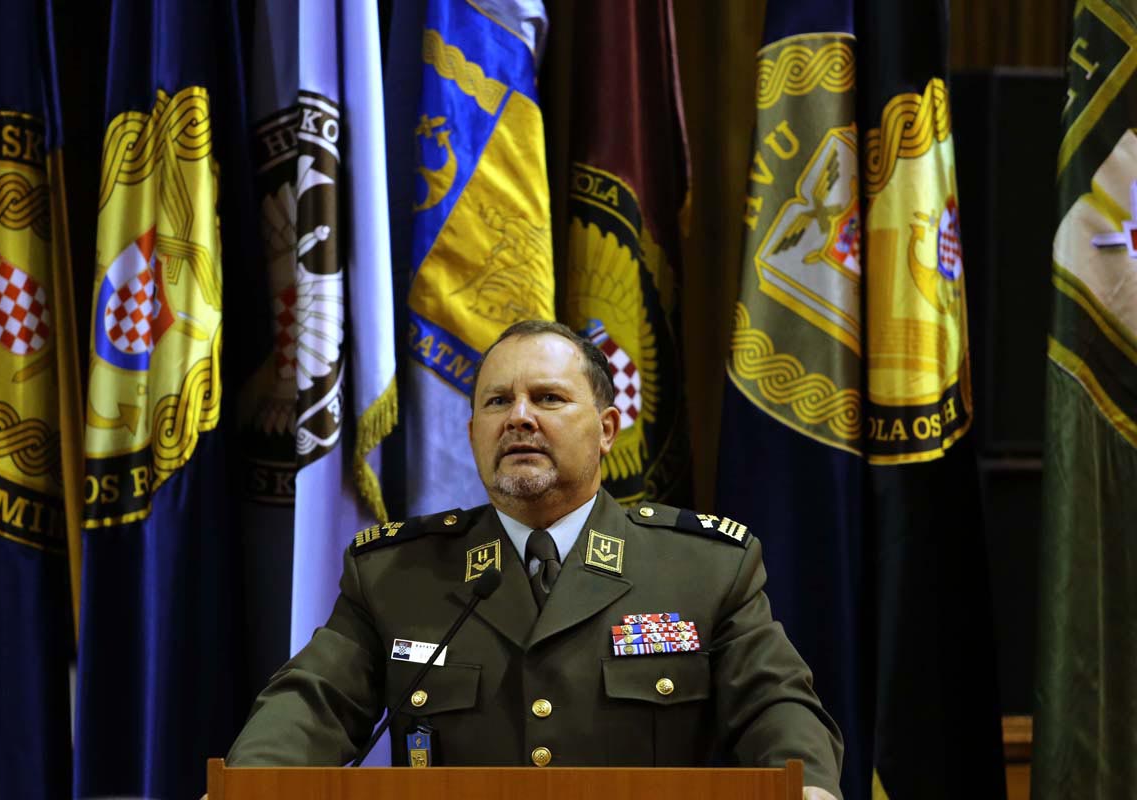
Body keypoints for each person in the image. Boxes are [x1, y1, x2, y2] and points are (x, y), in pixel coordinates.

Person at [227, 320, 843, 799]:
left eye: (547, 398)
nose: (519, 418)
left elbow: (775, 704)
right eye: (497, 402)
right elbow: (313, 701)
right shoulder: (396, 574)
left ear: (606, 429)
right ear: (473, 432)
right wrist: (248, 784)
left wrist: (809, 784)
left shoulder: (703, 569)